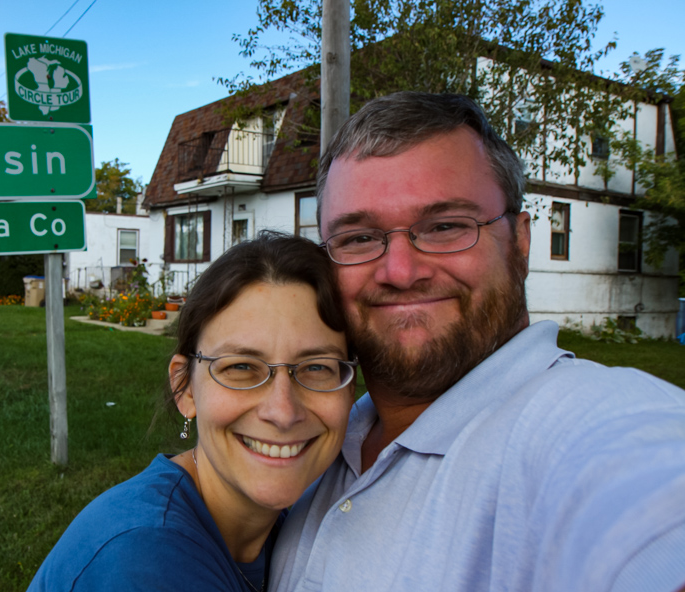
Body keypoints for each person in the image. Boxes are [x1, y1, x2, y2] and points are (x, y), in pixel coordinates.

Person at [270, 92, 685, 592]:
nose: (400, 271)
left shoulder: (585, 425)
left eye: (446, 227)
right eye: (358, 237)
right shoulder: (316, 437)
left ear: (521, 242)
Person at [27, 232, 357, 592]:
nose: (283, 411)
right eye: (242, 367)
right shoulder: (144, 562)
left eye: (316, 367)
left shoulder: (277, 528)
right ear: (185, 387)